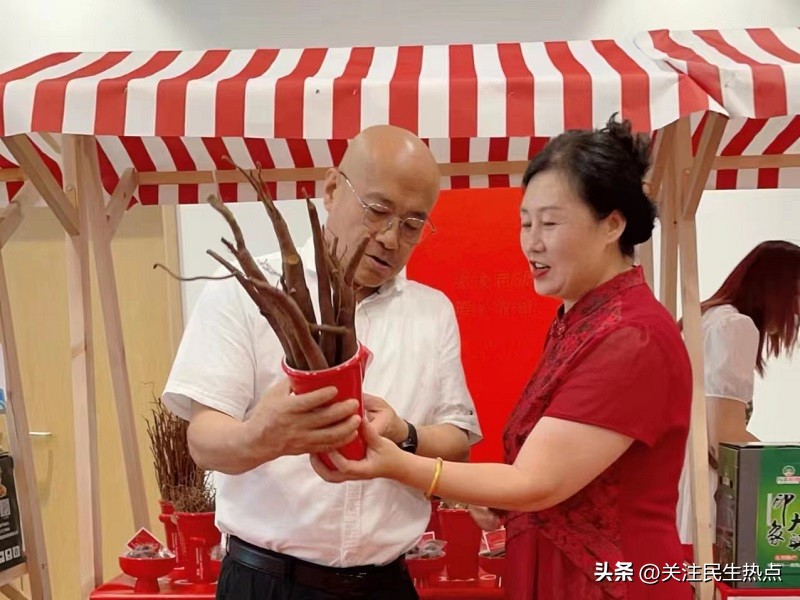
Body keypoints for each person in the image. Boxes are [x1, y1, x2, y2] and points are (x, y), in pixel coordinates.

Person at [312, 116, 694, 600]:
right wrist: (500, 498)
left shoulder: (633, 335)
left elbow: (538, 481)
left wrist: (397, 462)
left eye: (550, 223)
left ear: (612, 224)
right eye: (525, 223)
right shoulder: (581, 322)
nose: (532, 242)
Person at [161, 124, 482, 600]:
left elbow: (457, 443)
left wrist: (404, 434)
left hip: (387, 583)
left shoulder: (431, 311)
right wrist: (262, 435)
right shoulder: (245, 292)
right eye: (378, 211)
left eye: (413, 224)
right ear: (331, 189)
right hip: (266, 583)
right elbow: (204, 443)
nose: (391, 239)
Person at [677, 240, 800, 543]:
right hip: (698, 489)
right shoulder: (735, 326)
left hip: (671, 477)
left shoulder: (707, 317)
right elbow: (725, 440)